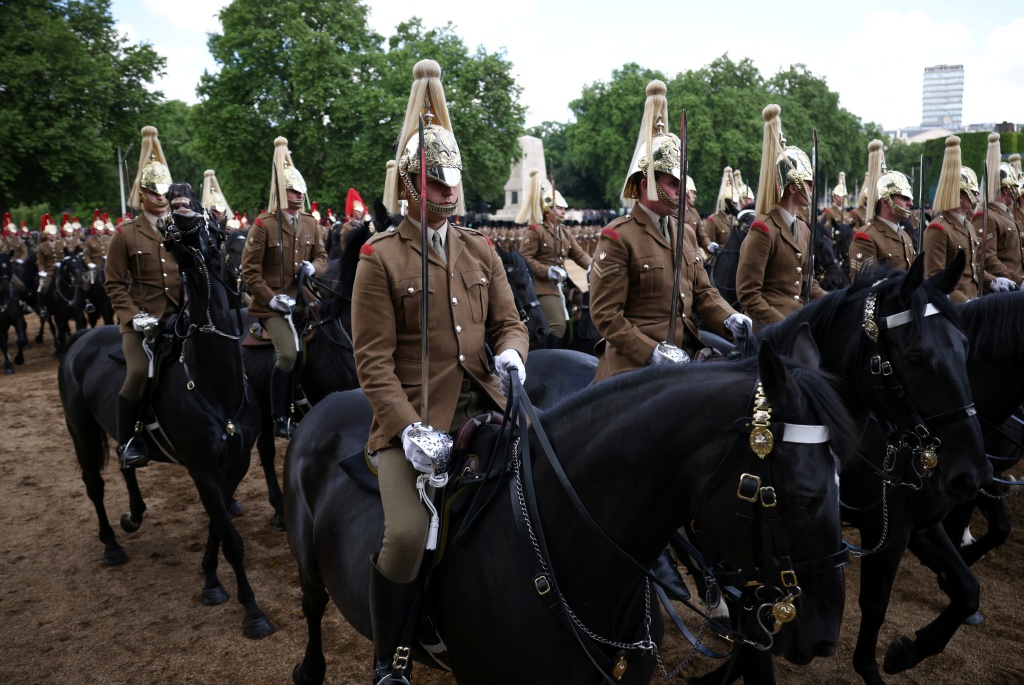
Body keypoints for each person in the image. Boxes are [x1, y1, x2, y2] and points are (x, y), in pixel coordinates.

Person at [352, 59, 529, 685]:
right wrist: (405, 428)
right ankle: (390, 655)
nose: (448, 195)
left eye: (453, 185)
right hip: (413, 420)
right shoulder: (379, 257)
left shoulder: (481, 248)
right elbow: (370, 359)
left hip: (484, 404)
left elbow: (511, 323)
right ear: (409, 186)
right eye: (435, 185)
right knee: (406, 535)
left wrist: (512, 355)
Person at [589, 79, 748, 382]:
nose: (680, 191)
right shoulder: (618, 236)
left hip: (686, 353)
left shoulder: (685, 231)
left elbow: (702, 292)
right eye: (673, 184)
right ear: (647, 184)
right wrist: (649, 352)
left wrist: (729, 317)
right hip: (635, 365)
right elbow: (606, 315)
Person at [104, 126, 181, 468]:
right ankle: (130, 441)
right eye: (154, 190)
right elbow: (114, 284)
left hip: (184, 314)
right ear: (142, 192)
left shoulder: (183, 226)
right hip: (143, 321)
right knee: (137, 372)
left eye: (165, 189)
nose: (161, 195)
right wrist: (134, 316)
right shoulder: (125, 234)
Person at [241, 137, 328, 439]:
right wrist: (270, 299)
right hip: (272, 306)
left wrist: (312, 267)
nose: (299, 195)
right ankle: (280, 415)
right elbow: (249, 270)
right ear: (281, 192)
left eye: (301, 190)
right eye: (292, 190)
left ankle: (304, 396)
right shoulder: (264, 224)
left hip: (303, 301)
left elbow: (322, 256)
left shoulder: (310, 223)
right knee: (289, 354)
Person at [736, 104, 825, 334]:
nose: (812, 189)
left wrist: (837, 301)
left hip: (798, 323)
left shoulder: (803, 229)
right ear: (793, 188)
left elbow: (808, 284)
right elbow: (748, 294)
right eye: (808, 183)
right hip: (769, 331)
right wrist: (783, 325)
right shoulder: (763, 229)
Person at [517, 168, 592, 347]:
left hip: (562, 285)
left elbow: (579, 254)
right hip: (542, 287)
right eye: (559, 208)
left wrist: (593, 266)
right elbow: (524, 258)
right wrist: (547, 271)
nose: (564, 211)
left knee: (579, 315)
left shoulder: (564, 232)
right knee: (557, 325)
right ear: (548, 210)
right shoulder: (536, 231)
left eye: (564, 208)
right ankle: (547, 358)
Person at [922, 136, 983, 302]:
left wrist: (995, 281)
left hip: (973, 303)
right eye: (973, 194)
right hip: (954, 309)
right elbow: (935, 278)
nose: (977, 200)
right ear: (960, 196)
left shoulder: (969, 226)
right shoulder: (938, 229)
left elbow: (973, 270)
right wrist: (965, 303)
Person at [849, 140, 916, 279]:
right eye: (904, 198)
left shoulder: (905, 236)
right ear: (886, 202)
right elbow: (865, 291)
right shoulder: (866, 238)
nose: (910, 203)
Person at [974, 133, 1022, 292]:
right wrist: (1018, 282)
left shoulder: (1005, 215)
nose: (1018, 192)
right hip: (1004, 291)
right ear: (1007, 189)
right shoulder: (986, 216)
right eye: (1015, 187)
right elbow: (988, 259)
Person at [36, 213, 67, 321]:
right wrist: (42, 272)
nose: (53, 235)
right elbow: (40, 262)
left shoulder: (62, 243)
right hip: (49, 271)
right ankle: (44, 309)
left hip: (62, 269)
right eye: (50, 234)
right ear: (46, 235)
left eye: (54, 233)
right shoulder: (42, 246)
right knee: (43, 288)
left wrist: (63, 263)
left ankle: (86, 302)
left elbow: (66, 256)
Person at [703, 166, 739, 250]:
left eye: (735, 203)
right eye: (732, 202)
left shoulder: (736, 220)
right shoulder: (713, 220)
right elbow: (709, 246)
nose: (734, 205)